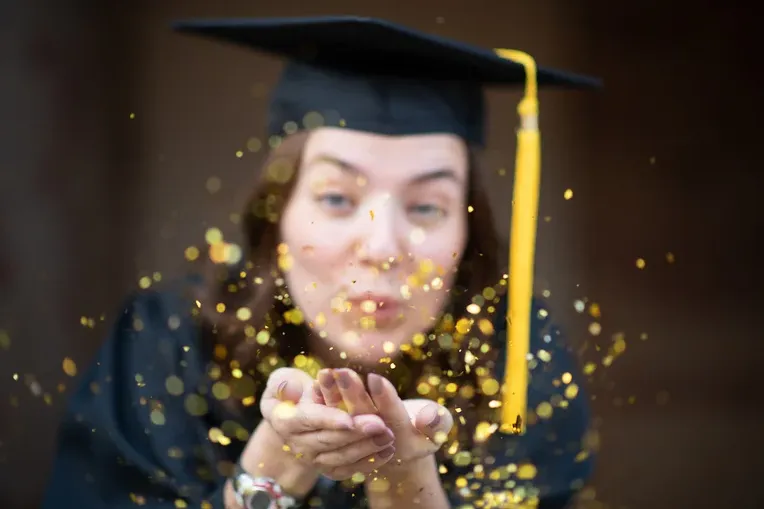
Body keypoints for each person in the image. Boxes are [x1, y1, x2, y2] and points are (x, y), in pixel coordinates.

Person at [42, 16, 600, 509]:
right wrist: (271, 471)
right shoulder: (166, 342)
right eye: (337, 198)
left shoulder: (518, 368)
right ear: (276, 217)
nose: (382, 247)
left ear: (468, 233)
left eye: (427, 206)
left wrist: (406, 483)